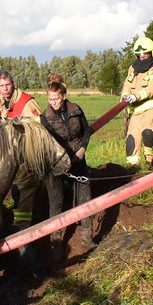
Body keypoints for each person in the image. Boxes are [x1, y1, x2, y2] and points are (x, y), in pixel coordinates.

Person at [40, 75, 92, 251]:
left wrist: (82, 149)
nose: (53, 103)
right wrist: (64, 159)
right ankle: (56, 243)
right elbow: (51, 143)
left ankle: (87, 238)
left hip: (79, 159)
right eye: (50, 99)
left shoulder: (76, 110)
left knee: (85, 198)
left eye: (56, 98)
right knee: (56, 202)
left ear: (63, 96)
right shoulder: (45, 118)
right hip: (56, 164)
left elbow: (86, 131)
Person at [120, 35, 153, 169]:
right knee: (131, 139)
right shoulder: (133, 68)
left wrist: (137, 96)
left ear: (151, 52)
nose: (142, 56)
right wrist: (125, 96)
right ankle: (132, 167)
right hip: (135, 111)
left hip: (151, 108)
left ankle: (151, 162)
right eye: (139, 53)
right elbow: (127, 85)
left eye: (145, 53)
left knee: (148, 134)